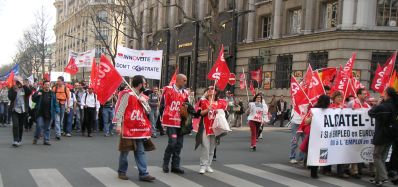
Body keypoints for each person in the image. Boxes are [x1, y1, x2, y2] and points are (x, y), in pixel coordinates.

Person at [114, 75, 156, 182]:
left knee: (140, 151)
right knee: (125, 150)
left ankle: (143, 173)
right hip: (128, 127)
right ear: (140, 84)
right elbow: (120, 110)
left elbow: (148, 111)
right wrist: (118, 125)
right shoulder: (127, 94)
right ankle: (122, 171)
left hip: (139, 129)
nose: (146, 85)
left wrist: (144, 102)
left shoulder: (142, 96)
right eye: (144, 83)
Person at [368, 87, 398, 185]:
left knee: (377, 156)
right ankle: (378, 179)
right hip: (391, 134)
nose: (382, 93)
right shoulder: (394, 105)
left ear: (387, 94)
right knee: (382, 157)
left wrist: (378, 104)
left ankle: (384, 177)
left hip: (382, 134)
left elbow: (371, 113)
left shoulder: (383, 106)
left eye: (383, 92)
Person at [161, 74, 189, 174]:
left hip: (180, 122)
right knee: (172, 143)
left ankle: (175, 166)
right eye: (184, 80)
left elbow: (187, 107)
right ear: (178, 80)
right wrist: (161, 121)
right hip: (170, 121)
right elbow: (162, 104)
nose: (186, 82)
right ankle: (165, 163)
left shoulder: (185, 92)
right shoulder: (168, 89)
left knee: (179, 145)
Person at [197, 86, 226, 174]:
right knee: (205, 146)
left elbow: (224, 113)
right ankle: (203, 165)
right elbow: (200, 113)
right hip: (205, 127)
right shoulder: (203, 101)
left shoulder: (220, 102)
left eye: (212, 89)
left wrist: (219, 112)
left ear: (216, 92)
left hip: (215, 127)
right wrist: (207, 109)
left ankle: (208, 165)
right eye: (209, 89)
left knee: (212, 148)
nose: (210, 90)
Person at [302, 94, 330, 179]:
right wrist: (312, 117)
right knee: (315, 153)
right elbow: (306, 121)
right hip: (315, 136)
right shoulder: (314, 110)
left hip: (325, 136)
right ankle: (313, 171)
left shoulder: (329, 110)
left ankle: (321, 167)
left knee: (323, 153)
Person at [32, 80, 59, 145]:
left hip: (49, 113)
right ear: (43, 85)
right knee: (39, 125)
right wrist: (37, 95)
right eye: (46, 84)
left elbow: (55, 103)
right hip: (40, 113)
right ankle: (36, 137)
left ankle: (46, 140)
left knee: (47, 128)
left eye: (48, 85)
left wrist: (57, 110)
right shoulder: (39, 92)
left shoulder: (52, 93)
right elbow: (33, 99)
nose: (47, 86)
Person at [8, 76, 32, 147]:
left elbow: (29, 92)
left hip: (23, 110)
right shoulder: (12, 89)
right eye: (17, 82)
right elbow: (10, 97)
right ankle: (15, 140)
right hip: (14, 110)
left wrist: (23, 84)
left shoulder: (24, 88)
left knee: (21, 126)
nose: (18, 84)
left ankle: (19, 139)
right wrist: (14, 91)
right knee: (15, 125)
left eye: (19, 83)